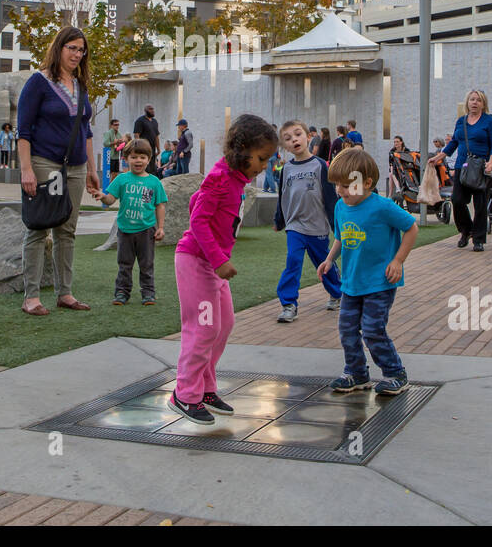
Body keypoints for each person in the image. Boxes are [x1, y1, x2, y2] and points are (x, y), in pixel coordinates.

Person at [170, 114, 278, 424]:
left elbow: (195, 202)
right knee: (203, 327)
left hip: (211, 266)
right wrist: (218, 259)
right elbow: (198, 220)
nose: (264, 166)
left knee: (224, 324)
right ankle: (184, 393)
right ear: (242, 150)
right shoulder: (219, 178)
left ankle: (204, 387)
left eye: (268, 160)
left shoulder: (235, 179)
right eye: (261, 158)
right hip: (197, 263)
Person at [317, 147, 418, 397]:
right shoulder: (341, 207)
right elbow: (341, 238)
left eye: (346, 185)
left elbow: (411, 228)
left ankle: (395, 373)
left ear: (368, 182)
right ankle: (357, 373)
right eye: (337, 186)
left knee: (372, 330)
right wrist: (329, 259)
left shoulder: (382, 206)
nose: (340, 191)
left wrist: (398, 261)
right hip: (351, 283)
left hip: (379, 282)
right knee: (347, 329)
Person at [17, 26, 100, 316]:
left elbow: (86, 131)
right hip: (45, 164)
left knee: (68, 229)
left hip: (76, 167)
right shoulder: (38, 82)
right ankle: (31, 297)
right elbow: (23, 131)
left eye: (81, 50)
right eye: (72, 48)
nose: (78, 54)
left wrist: (93, 168)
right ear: (59, 48)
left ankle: (65, 293)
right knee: (39, 227)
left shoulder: (81, 85)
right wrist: (26, 169)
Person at [273, 120, 342, 323]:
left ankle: (337, 293)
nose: (294, 139)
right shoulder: (286, 169)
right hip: (295, 226)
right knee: (293, 261)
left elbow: (330, 198)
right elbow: (282, 196)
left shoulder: (320, 166)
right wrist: (279, 220)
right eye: (288, 138)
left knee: (324, 262)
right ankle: (288, 304)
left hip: (317, 226)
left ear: (308, 137)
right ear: (284, 145)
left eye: (297, 134)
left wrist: (334, 224)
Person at [94, 138, 166, 306]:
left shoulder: (154, 182)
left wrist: (160, 227)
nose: (138, 160)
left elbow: (160, 205)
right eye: (134, 157)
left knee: (146, 264)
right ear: (126, 159)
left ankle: (148, 293)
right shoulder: (121, 179)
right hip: (125, 230)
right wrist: (103, 196)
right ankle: (121, 292)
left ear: (149, 159)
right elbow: (111, 199)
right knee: (124, 264)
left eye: (142, 157)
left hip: (146, 230)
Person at [432, 89, 492, 251]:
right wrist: (438, 157)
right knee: (457, 200)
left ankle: (478, 239)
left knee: (480, 204)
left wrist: (491, 162)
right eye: (472, 100)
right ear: (467, 102)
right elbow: (454, 142)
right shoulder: (461, 121)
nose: (474, 103)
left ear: (483, 104)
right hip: (462, 166)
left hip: (481, 167)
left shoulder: (488, 121)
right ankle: (466, 230)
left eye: (478, 100)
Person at [133, 104, 160, 176]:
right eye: (150, 109)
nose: (152, 110)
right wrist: (139, 146)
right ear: (146, 111)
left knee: (152, 167)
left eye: (153, 109)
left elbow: (156, 136)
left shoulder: (154, 121)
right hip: (144, 148)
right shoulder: (140, 121)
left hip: (152, 148)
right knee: (145, 166)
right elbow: (136, 134)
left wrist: (158, 148)